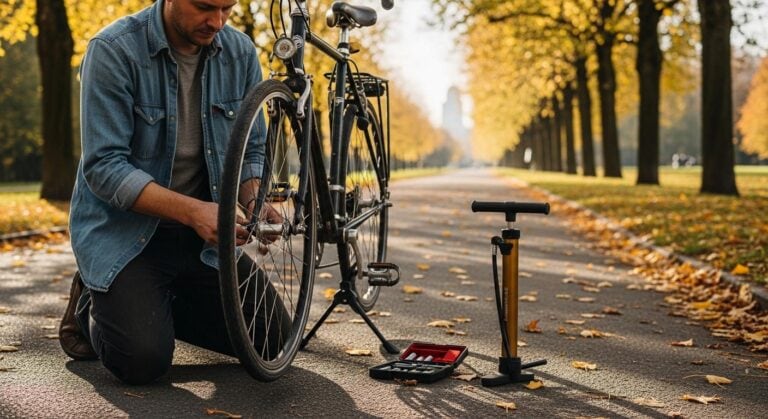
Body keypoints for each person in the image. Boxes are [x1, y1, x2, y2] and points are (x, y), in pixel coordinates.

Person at [59, 0, 288, 385]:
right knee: (141, 361)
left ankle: (149, 305)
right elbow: (104, 167)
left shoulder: (240, 53)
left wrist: (253, 199)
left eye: (227, 8)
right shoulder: (113, 50)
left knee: (272, 340)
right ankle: (92, 301)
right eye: (205, 7)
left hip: (202, 243)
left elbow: (251, 150)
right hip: (128, 238)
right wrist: (194, 212)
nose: (217, 22)